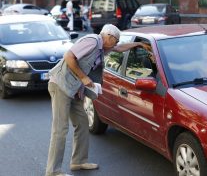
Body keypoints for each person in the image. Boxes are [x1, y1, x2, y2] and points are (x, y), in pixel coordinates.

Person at [45, 24, 150, 176]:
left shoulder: (103, 47)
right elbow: (69, 56)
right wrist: (83, 77)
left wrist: (138, 44)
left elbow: (119, 48)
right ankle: (53, 171)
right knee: (60, 130)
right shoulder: (93, 41)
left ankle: (78, 161)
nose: (116, 43)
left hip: (74, 89)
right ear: (109, 37)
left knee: (82, 123)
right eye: (116, 40)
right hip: (61, 85)